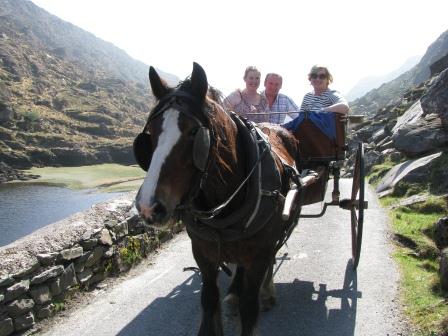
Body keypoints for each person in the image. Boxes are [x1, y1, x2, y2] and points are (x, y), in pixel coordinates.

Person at [282, 65, 349, 131]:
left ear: (327, 79)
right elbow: (300, 119)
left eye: (322, 76)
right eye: (314, 76)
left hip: (323, 136)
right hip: (306, 133)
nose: (317, 79)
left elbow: (344, 107)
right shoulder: (307, 96)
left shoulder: (331, 94)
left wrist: (320, 111)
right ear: (310, 79)